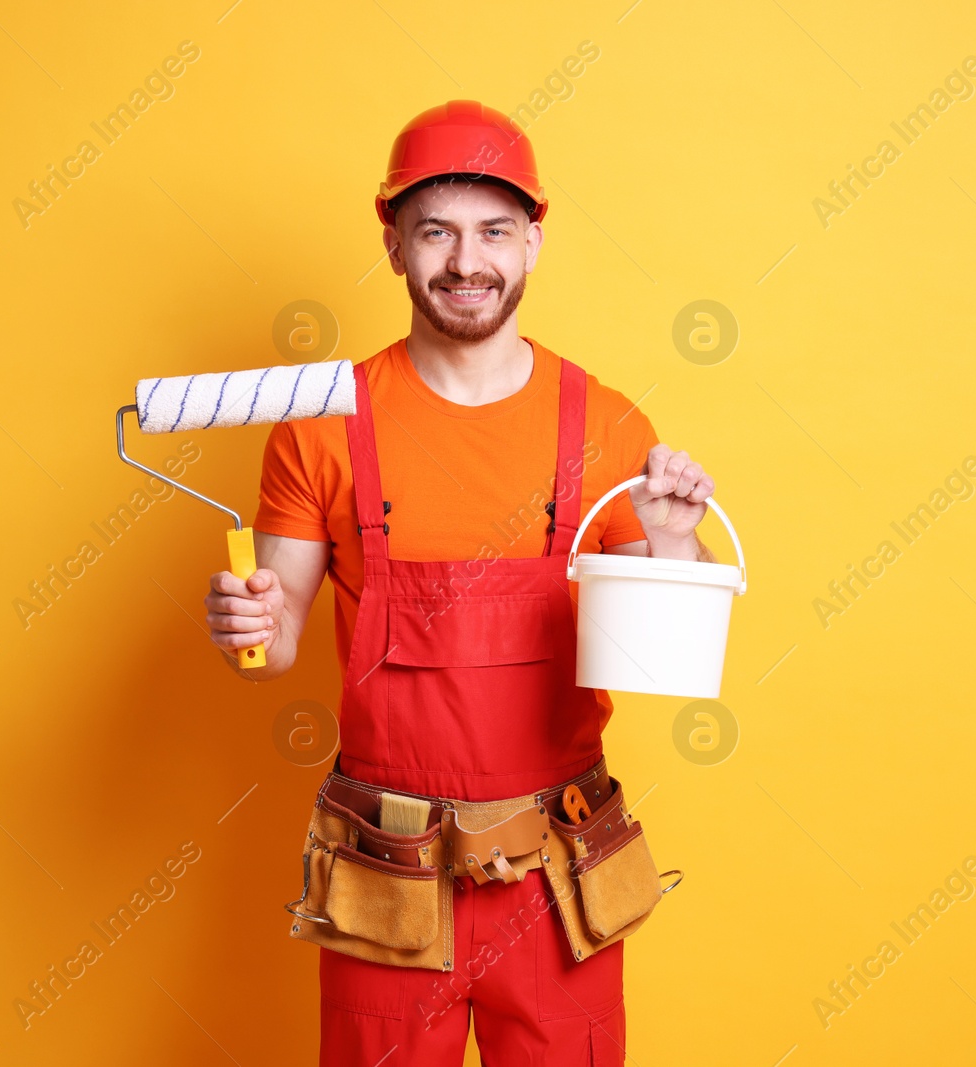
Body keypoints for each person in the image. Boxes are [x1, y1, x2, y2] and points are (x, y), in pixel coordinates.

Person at [204, 100, 718, 1066]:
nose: (466, 261)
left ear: (533, 240)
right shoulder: (321, 425)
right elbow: (266, 651)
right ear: (393, 242)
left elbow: (654, 658)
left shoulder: (606, 426)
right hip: (388, 880)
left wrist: (672, 547)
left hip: (558, 882)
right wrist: (245, 623)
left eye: (492, 231)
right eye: (436, 230)